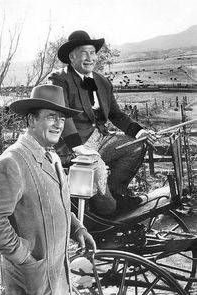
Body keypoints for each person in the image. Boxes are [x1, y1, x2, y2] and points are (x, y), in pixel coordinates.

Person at [0, 84, 96, 295]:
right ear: (32, 120)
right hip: (31, 279)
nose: (58, 124)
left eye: (61, 118)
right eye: (51, 117)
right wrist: (23, 255)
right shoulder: (13, 162)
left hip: (56, 276)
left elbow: (53, 204)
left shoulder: (54, 158)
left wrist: (77, 228)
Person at [48, 30, 157, 216]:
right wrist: (78, 147)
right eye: (84, 53)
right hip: (74, 145)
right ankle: (104, 211)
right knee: (107, 205)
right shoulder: (59, 79)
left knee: (137, 145)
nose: (90, 58)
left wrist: (140, 132)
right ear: (71, 56)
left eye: (92, 53)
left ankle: (116, 192)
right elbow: (61, 115)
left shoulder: (102, 82)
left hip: (100, 139)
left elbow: (116, 115)